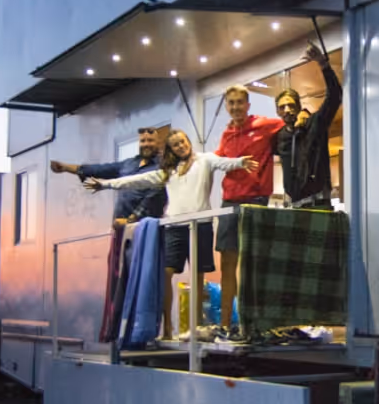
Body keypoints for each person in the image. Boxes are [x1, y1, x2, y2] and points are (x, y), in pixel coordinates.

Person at [87, 128, 258, 339]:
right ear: (171, 149)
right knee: (167, 273)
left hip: (200, 225)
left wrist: (240, 162)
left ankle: (195, 328)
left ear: (188, 142)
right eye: (176, 144)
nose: (181, 146)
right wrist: (105, 184)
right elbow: (137, 180)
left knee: (197, 277)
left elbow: (224, 163)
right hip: (175, 226)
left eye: (183, 142)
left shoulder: (205, 159)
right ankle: (167, 329)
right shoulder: (169, 171)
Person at [214, 85, 283, 338]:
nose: (236, 107)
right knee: (228, 263)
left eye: (240, 102)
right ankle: (224, 324)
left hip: (255, 201)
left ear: (248, 104)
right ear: (227, 107)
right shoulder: (226, 133)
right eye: (231, 103)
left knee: (254, 264)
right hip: (229, 201)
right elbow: (218, 160)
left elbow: (289, 124)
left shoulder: (265, 124)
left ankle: (252, 323)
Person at [50, 127, 167, 227]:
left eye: (150, 140)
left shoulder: (162, 167)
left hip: (144, 226)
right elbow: (100, 169)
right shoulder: (129, 164)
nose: (146, 144)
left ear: (158, 143)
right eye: (143, 141)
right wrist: (66, 168)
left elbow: (154, 197)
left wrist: (131, 220)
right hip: (119, 225)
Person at [274, 39, 341, 209]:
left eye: (290, 104)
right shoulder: (280, 136)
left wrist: (323, 64)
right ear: (277, 112)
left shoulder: (315, 123)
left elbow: (334, 96)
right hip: (294, 206)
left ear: (298, 105)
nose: (287, 109)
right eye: (282, 107)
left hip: (319, 202)